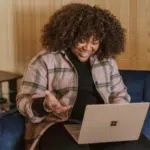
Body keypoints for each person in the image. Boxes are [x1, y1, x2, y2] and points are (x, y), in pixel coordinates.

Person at [16, 3, 150, 150]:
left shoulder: (107, 61)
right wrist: (44, 104)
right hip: (60, 124)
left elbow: (119, 94)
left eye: (94, 42)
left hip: (101, 126)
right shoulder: (44, 60)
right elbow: (23, 101)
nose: (87, 48)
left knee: (140, 145)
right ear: (69, 35)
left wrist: (117, 112)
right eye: (82, 40)